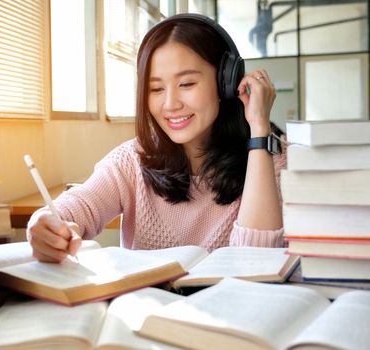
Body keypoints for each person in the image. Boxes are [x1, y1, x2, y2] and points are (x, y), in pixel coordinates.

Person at [27, 13, 285, 263]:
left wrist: (259, 130)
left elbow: (258, 262)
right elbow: (79, 205)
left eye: (186, 84)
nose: (170, 104)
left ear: (225, 83)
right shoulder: (130, 161)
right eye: (156, 89)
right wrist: (45, 226)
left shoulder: (272, 159)